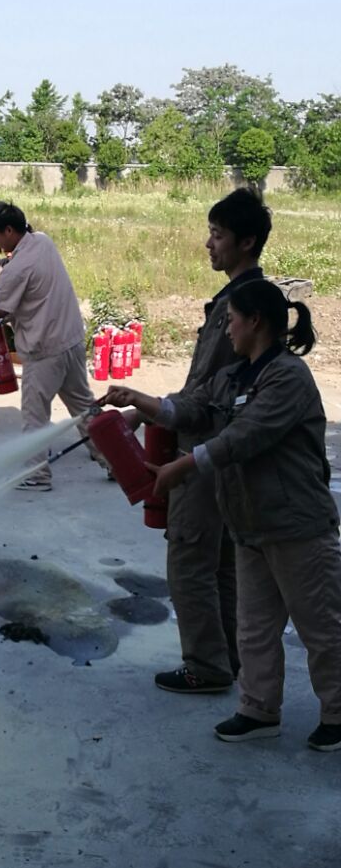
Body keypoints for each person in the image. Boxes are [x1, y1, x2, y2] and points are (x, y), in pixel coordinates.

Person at [102, 279, 341, 751]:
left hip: (296, 525)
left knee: (321, 625)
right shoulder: (233, 377)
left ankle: (337, 713)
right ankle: (258, 709)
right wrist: (138, 401)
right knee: (254, 628)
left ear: (255, 321)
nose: (226, 329)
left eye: (231, 320)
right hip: (250, 524)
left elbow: (245, 436)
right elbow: (193, 409)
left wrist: (184, 466)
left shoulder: (287, 377)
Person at [148, 188, 272, 696]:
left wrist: (157, 407)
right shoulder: (245, 300)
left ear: (247, 242)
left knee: (190, 558)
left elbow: (208, 393)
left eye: (217, 235)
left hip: (206, 449)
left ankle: (206, 663)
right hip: (226, 451)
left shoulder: (238, 308)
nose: (208, 244)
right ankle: (229, 656)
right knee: (221, 561)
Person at [0, 201, 106, 490]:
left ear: (9, 231)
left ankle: (37, 476)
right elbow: (31, 295)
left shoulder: (17, 268)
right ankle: (115, 462)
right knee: (85, 409)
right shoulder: (43, 242)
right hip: (72, 341)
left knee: (35, 418)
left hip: (45, 351)